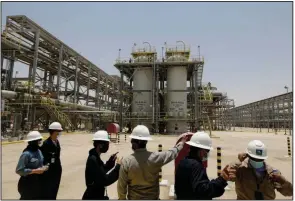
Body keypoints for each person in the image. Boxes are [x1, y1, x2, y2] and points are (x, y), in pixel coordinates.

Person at [117, 125, 188, 200]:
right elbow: (171, 153)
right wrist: (181, 144)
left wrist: (122, 199)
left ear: (133, 142)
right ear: (146, 141)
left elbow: (121, 186)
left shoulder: (127, 162)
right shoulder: (156, 157)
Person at [175, 131, 235, 200]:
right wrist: (222, 180)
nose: (207, 153)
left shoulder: (183, 161)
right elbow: (204, 191)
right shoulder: (196, 166)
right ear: (201, 151)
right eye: (207, 150)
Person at [228, 140, 293, 199]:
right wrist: (238, 161)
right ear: (248, 156)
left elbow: (289, 193)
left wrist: (283, 182)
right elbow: (226, 176)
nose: (257, 161)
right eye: (254, 158)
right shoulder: (241, 169)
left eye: (260, 159)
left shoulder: (272, 173)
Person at [82, 130, 122, 200]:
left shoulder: (95, 156)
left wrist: (110, 163)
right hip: (93, 196)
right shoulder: (93, 159)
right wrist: (118, 167)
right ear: (100, 145)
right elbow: (105, 180)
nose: (108, 146)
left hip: (95, 195)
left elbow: (101, 171)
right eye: (106, 144)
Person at [16, 131, 49, 200]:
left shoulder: (39, 151)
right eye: (38, 141)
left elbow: (41, 163)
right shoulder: (26, 154)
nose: (40, 142)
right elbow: (19, 170)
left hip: (38, 182)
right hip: (27, 184)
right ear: (33, 142)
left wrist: (45, 167)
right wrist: (34, 171)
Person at [40, 122, 63, 199]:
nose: (60, 133)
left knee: (55, 190)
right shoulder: (46, 143)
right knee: (48, 191)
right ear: (54, 131)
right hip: (49, 172)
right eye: (59, 131)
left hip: (57, 170)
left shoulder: (57, 141)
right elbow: (44, 159)